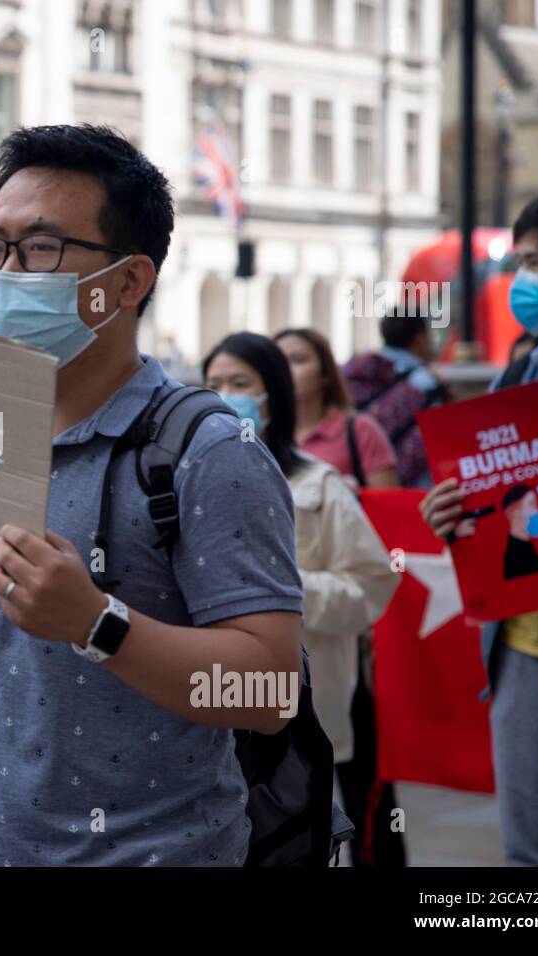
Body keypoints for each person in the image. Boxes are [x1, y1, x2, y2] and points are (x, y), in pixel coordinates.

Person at [0, 124, 304, 867]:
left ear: (129, 281)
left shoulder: (209, 453)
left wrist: (96, 623)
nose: (5, 272)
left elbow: (267, 688)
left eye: (42, 249)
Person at [421, 189, 538, 866]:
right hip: (526, 649)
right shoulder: (520, 375)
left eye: (536, 262)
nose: (521, 281)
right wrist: (453, 516)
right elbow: (492, 502)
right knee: (532, 857)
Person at [204, 332, 397, 863]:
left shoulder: (319, 485)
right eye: (214, 383)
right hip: (213, 701)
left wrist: (280, 597)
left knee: (301, 835)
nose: (224, 394)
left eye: (240, 383)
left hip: (306, 704)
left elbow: (371, 583)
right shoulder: (187, 481)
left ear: (275, 396)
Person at [275, 328, 400, 491]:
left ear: (325, 374)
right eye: (278, 363)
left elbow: (388, 507)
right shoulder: (261, 433)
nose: (285, 370)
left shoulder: (361, 430)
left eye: (298, 360)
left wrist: (346, 495)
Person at [341, 309, 451, 488]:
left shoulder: (356, 368)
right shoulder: (426, 382)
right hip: (399, 480)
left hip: (349, 470)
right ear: (420, 338)